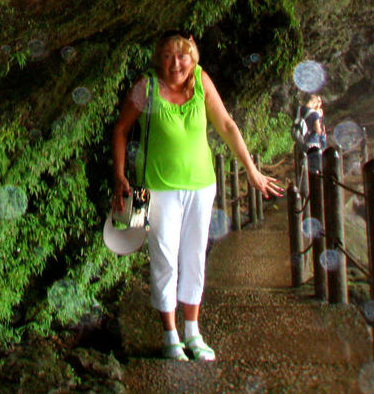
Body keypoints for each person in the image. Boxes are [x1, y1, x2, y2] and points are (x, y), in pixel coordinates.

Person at [111, 30, 283, 362]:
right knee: (164, 258)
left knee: (194, 257)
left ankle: (193, 332)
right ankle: (170, 336)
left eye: (182, 55)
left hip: (202, 186)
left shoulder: (201, 82)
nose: (175, 63)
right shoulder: (146, 88)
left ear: (193, 57)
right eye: (167, 56)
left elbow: (228, 125)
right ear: (158, 58)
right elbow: (120, 129)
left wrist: (251, 169)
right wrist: (119, 175)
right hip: (157, 189)